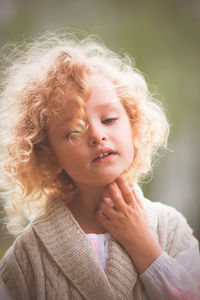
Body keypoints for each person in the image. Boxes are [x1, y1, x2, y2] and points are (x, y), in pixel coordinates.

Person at [0, 32, 199, 300]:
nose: (96, 135)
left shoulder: (169, 228)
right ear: (49, 155)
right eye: (74, 132)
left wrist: (145, 247)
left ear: (133, 125)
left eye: (109, 120)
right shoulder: (27, 257)